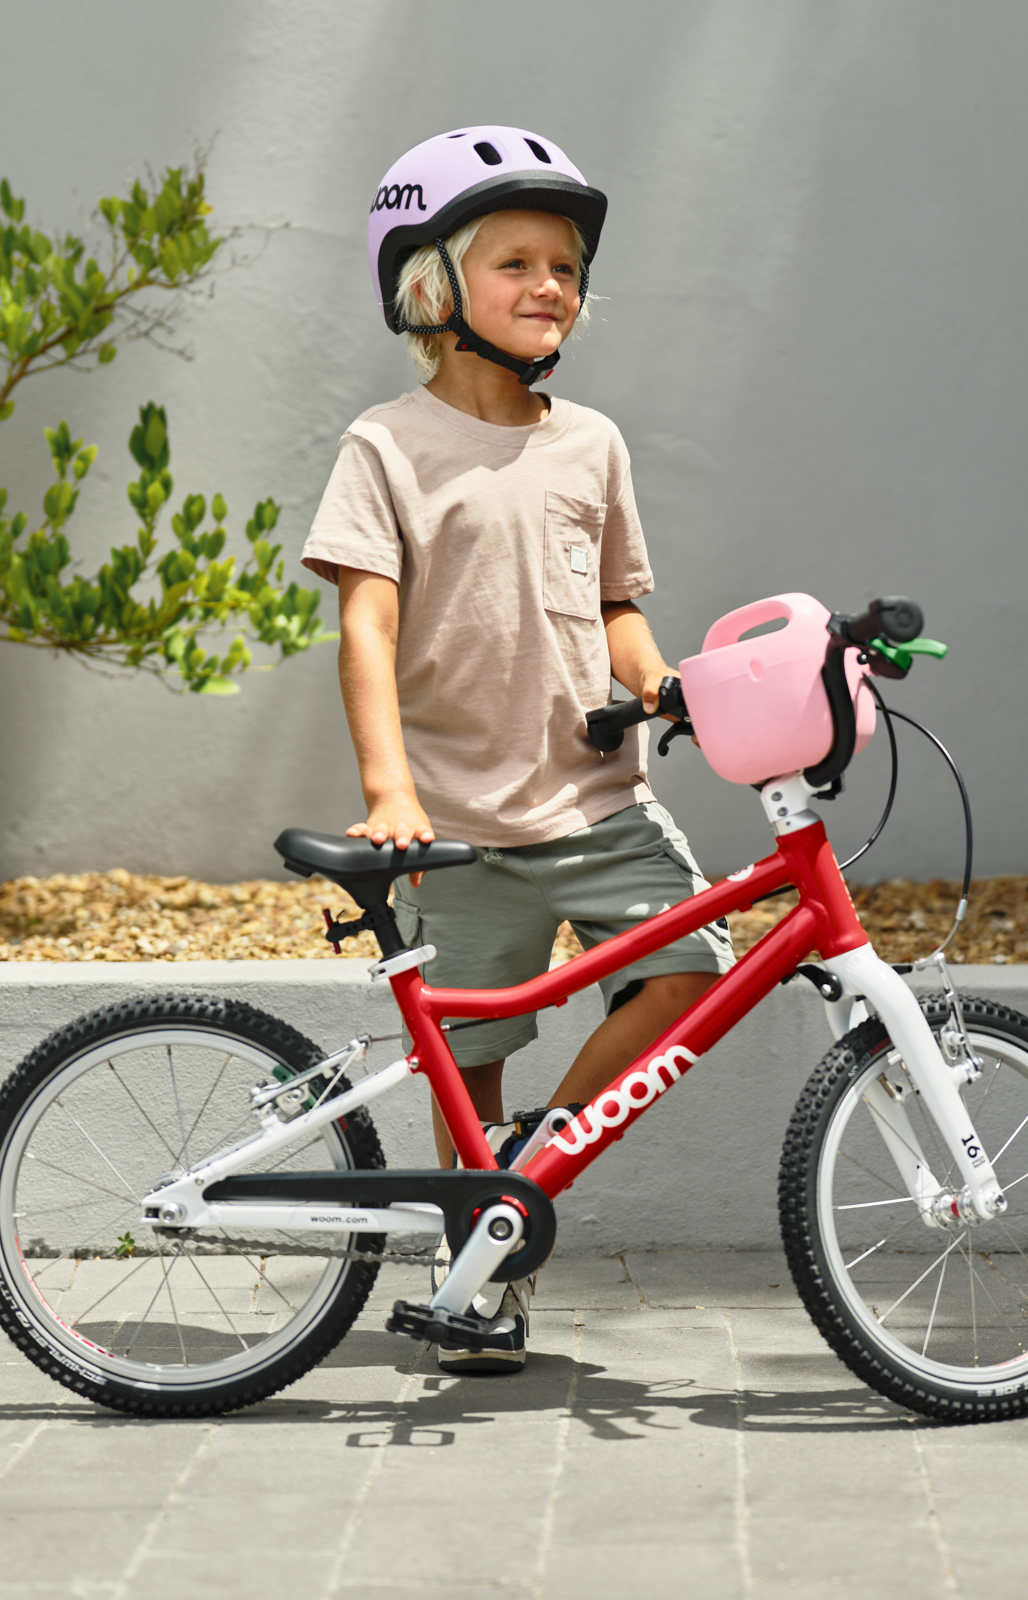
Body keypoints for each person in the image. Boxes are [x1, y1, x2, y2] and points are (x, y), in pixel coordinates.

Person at [299, 126, 733, 1375]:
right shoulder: (385, 445)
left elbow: (616, 608)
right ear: (432, 287)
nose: (553, 284)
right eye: (518, 261)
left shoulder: (590, 442)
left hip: (598, 801)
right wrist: (389, 789)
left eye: (568, 265)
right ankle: (478, 1269)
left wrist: (663, 682)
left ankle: (533, 1159)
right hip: (457, 818)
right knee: (465, 1064)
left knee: (689, 973)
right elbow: (365, 626)